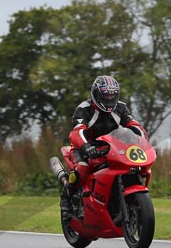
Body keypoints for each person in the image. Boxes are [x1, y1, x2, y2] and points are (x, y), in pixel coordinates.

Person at [60, 75, 148, 217]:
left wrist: (144, 143)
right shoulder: (84, 109)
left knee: (132, 167)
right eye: (105, 95)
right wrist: (86, 147)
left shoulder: (121, 107)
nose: (109, 98)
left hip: (111, 148)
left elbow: (134, 126)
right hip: (84, 148)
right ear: (96, 94)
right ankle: (66, 197)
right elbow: (77, 132)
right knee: (82, 170)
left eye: (112, 95)